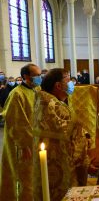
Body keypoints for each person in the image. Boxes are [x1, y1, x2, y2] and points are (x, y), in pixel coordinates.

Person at [32, 68, 79, 200]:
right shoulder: (53, 106)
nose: (71, 83)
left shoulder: (44, 101)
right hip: (59, 165)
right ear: (58, 85)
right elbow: (75, 132)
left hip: (48, 162)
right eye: (68, 79)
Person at [0, 64, 41, 200]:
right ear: (26, 77)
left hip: (35, 141)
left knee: (34, 176)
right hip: (21, 144)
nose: (39, 78)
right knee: (23, 177)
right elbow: (16, 122)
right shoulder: (16, 94)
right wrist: (24, 145)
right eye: (36, 75)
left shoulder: (37, 90)